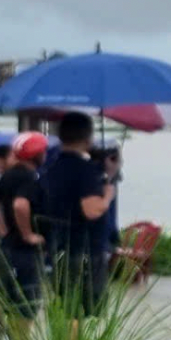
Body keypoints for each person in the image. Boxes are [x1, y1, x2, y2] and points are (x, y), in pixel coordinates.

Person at [38, 112, 116, 313]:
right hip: (85, 250)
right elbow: (90, 210)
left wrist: (107, 175)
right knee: (83, 310)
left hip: (59, 246)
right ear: (88, 137)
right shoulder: (86, 170)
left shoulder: (52, 168)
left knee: (67, 306)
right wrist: (107, 195)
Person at [0, 132, 50, 315]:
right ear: (36, 154)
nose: (45, 155)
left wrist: (1, 229)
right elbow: (20, 204)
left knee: (12, 300)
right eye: (44, 151)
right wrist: (27, 234)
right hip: (25, 250)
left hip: (10, 245)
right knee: (28, 304)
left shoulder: (8, 175)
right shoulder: (29, 177)